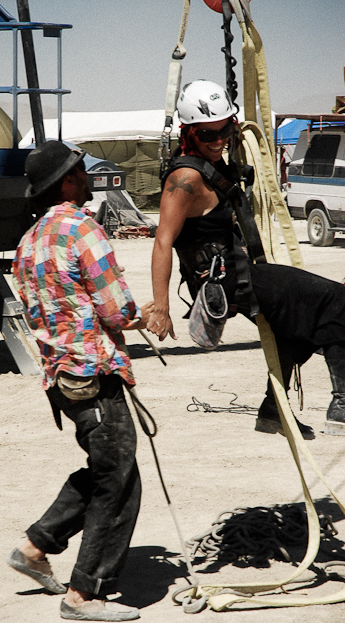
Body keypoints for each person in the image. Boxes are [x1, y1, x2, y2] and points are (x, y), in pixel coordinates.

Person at [147, 79, 345, 437]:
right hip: (223, 282)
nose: (219, 140)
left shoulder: (217, 162)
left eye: (225, 130)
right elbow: (162, 241)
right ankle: (343, 405)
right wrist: (161, 304)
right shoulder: (185, 178)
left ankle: (273, 410)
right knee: (336, 299)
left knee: (296, 329)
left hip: (239, 272)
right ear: (190, 133)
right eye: (209, 134)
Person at [8, 140, 154, 622]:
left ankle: (37, 545)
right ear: (67, 182)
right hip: (94, 374)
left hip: (61, 379)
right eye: (80, 170)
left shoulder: (29, 241)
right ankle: (85, 593)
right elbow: (116, 307)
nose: (88, 176)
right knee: (118, 479)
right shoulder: (81, 229)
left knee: (106, 465)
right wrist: (144, 315)